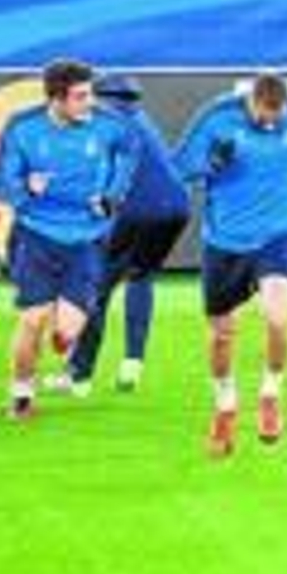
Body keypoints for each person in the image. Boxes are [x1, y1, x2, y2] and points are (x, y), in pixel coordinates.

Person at [175, 72, 287, 458]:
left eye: (278, 115)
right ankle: (225, 404)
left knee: (277, 317)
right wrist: (210, 165)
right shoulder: (217, 117)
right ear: (251, 102)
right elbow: (180, 167)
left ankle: (270, 393)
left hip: (279, 236)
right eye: (263, 115)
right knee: (223, 333)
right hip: (225, 241)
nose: (271, 122)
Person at [0, 58, 139, 421]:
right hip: (37, 236)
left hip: (88, 238)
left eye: (89, 94)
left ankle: (61, 341)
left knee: (65, 330)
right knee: (33, 319)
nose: (89, 103)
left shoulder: (109, 126)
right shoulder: (22, 128)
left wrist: (111, 196)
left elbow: (128, 154)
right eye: (79, 97)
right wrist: (24, 188)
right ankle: (22, 396)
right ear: (56, 99)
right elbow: (4, 181)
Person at [50, 73, 191, 396]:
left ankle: (79, 377)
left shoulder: (98, 121)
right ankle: (132, 362)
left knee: (96, 289)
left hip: (135, 209)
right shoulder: (141, 119)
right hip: (177, 208)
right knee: (141, 276)